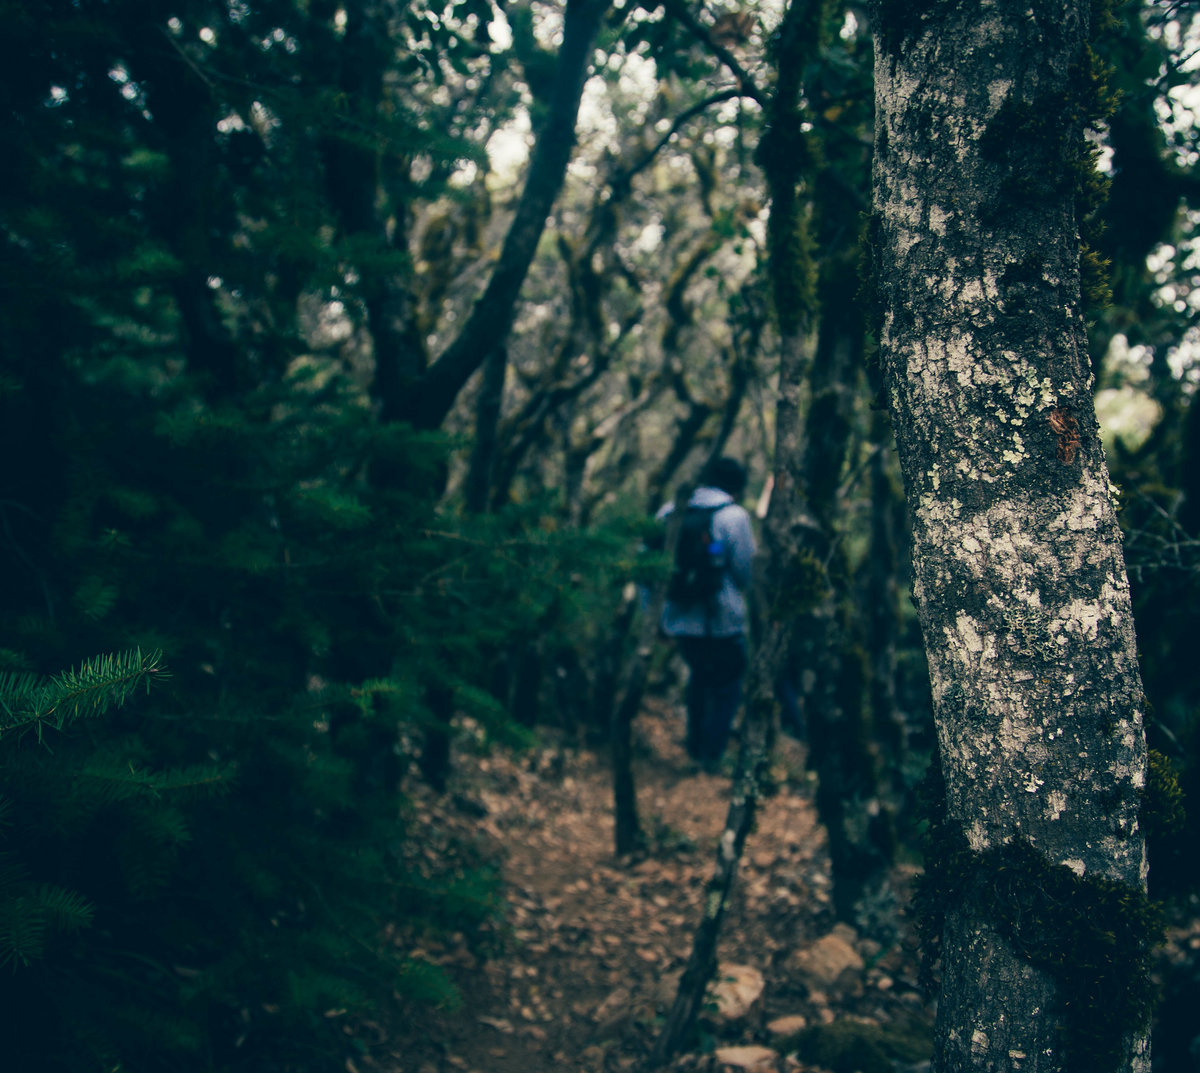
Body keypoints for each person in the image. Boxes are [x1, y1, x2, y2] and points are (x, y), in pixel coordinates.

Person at [658, 457, 756, 771]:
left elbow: (649, 568)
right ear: (736, 486)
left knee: (699, 679)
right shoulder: (734, 516)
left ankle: (695, 747)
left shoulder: (669, 511)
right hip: (723, 620)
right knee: (727, 687)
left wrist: (657, 620)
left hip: (680, 620)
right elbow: (745, 572)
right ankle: (711, 755)